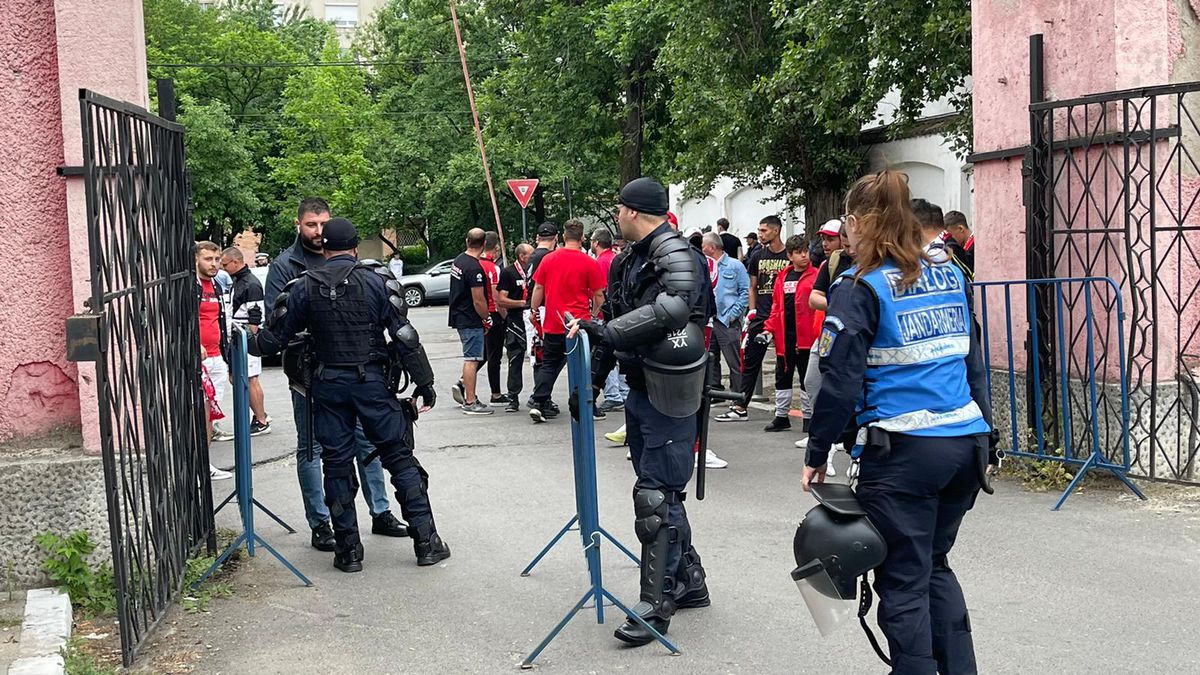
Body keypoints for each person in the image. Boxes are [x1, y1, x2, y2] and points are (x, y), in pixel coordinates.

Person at [801, 170, 995, 673]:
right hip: (965, 441)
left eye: (847, 222)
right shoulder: (949, 273)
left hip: (905, 451)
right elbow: (973, 361)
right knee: (934, 566)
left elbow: (839, 380)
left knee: (903, 579)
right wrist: (988, 437)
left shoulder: (860, 285)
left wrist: (817, 452)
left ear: (858, 222)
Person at [251, 218, 449, 572]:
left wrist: (239, 338)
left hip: (328, 385)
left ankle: (348, 551)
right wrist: (424, 382)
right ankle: (426, 543)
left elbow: (273, 340)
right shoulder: (377, 281)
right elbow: (404, 334)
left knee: (336, 464)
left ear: (324, 248)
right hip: (372, 383)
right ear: (355, 247)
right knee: (399, 458)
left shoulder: (302, 286)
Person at [568, 177, 711, 646]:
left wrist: (606, 335)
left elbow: (674, 310)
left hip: (671, 390)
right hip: (642, 387)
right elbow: (612, 320)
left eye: (620, 208)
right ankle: (690, 580)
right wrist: (592, 380)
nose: (617, 215)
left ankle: (657, 606)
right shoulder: (629, 259)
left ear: (632, 210)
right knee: (661, 492)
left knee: (654, 498)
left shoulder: (677, 253)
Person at [264, 197, 408, 552]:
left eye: (323, 224)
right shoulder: (285, 266)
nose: (318, 231)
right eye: (311, 224)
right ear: (299, 224)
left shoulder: (350, 258)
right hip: (310, 374)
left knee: (368, 442)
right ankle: (321, 522)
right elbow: (278, 323)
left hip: (358, 370)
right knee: (314, 448)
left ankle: (380, 511)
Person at [528, 219, 605, 422]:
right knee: (584, 365)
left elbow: (538, 287)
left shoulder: (549, 259)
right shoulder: (589, 262)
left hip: (554, 321)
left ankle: (539, 401)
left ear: (563, 236)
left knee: (549, 364)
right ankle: (586, 405)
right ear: (582, 238)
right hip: (579, 323)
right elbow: (599, 295)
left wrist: (533, 310)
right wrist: (594, 315)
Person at [714, 215, 789, 422]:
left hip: (783, 315)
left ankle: (782, 412)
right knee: (750, 361)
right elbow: (752, 286)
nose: (760, 234)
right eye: (759, 230)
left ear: (776, 230)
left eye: (764, 230)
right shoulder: (757, 255)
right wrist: (752, 310)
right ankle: (740, 406)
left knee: (785, 362)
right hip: (762, 315)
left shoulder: (788, 255)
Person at [798, 220, 854, 474]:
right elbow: (814, 297)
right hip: (829, 335)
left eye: (831, 239)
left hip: (857, 339)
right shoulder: (832, 262)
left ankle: (849, 452)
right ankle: (825, 441)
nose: (826, 244)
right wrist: (839, 306)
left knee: (851, 393)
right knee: (813, 381)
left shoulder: (875, 263)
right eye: (824, 239)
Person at [758, 235, 819, 433]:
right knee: (782, 376)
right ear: (790, 256)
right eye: (799, 252)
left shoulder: (816, 276)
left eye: (806, 251)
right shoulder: (782, 277)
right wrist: (768, 329)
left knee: (806, 379)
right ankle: (781, 416)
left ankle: (809, 417)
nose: (804, 256)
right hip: (785, 337)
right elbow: (776, 307)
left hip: (807, 337)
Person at [220, 247, 271, 436]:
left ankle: (261, 419)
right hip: (239, 335)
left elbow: (255, 315)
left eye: (225, 264)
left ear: (235, 262)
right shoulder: (240, 281)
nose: (223, 268)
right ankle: (260, 415)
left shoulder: (251, 283)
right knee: (240, 378)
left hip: (245, 337)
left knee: (250, 378)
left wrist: (249, 340)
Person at [195, 241, 233, 481]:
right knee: (201, 413)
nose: (214, 264)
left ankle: (204, 463)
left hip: (217, 356)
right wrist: (194, 343)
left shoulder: (217, 285)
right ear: (196, 260)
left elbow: (223, 320)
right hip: (201, 360)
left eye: (217, 259)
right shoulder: (192, 286)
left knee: (210, 414)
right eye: (208, 259)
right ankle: (199, 466)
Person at [447, 228, 495, 415]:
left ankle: (469, 397)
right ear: (484, 244)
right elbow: (478, 300)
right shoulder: (474, 268)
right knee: (472, 359)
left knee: (471, 358)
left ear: (467, 241)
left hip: (459, 314)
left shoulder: (459, 261)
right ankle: (470, 401)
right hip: (470, 318)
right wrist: (486, 317)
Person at [700, 232, 749, 393]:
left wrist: (733, 314)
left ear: (712, 247)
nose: (701, 249)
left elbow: (745, 292)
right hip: (710, 319)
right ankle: (715, 390)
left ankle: (738, 394)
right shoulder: (705, 266)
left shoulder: (735, 265)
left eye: (703, 246)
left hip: (727, 320)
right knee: (711, 359)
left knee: (733, 360)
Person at [592, 228, 628, 413]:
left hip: (605, 314)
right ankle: (623, 392)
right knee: (620, 354)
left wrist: (595, 314)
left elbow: (598, 292)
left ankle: (613, 395)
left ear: (597, 243)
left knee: (605, 354)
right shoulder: (615, 258)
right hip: (619, 313)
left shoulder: (600, 262)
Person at [496, 243, 533, 412]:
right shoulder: (508, 272)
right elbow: (501, 300)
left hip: (533, 321)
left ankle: (541, 397)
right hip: (516, 321)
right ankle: (513, 397)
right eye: (531, 253)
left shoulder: (535, 269)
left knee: (539, 359)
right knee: (515, 359)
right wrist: (521, 303)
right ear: (522, 256)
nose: (534, 256)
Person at [479, 232, 508, 405]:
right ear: (496, 248)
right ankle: (495, 393)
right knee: (494, 356)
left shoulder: (474, 264)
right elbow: (497, 298)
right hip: (493, 313)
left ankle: (463, 382)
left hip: (478, 313)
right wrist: (505, 317)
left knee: (482, 352)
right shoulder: (493, 268)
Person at [944, 210, 974, 276]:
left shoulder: (975, 247)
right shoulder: (964, 246)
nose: (951, 239)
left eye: (951, 235)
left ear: (960, 229)